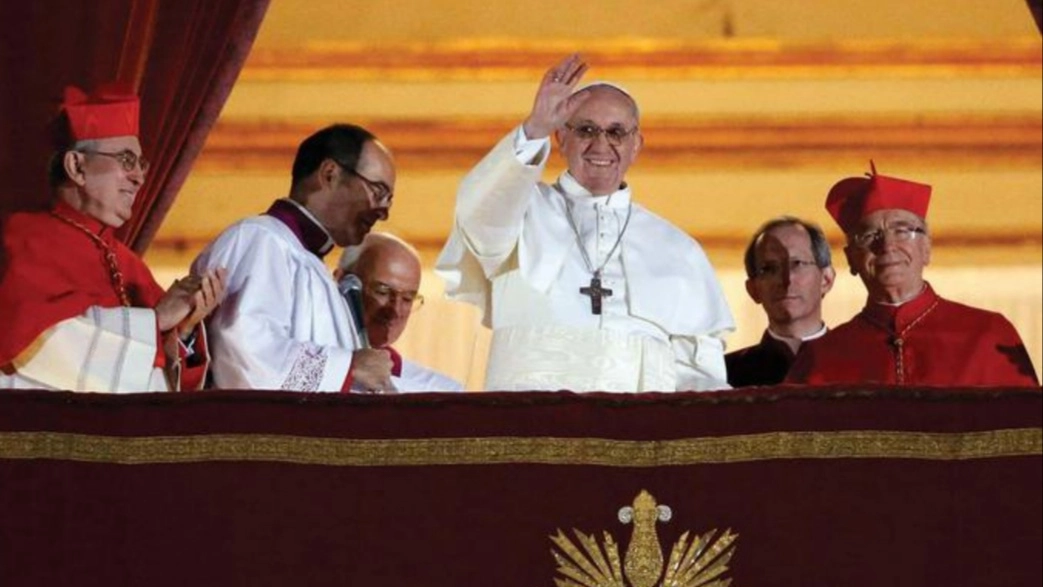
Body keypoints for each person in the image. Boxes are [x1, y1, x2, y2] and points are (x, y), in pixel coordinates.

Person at [435, 54, 734, 392]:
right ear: (561, 138)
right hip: (530, 426)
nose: (601, 144)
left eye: (616, 132)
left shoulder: (678, 249)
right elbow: (477, 215)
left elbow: (699, 373)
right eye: (586, 130)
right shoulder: (520, 209)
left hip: (637, 433)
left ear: (636, 145)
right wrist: (534, 128)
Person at [0, 83, 225, 392]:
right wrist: (155, 321)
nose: (140, 178)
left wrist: (182, 330)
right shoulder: (26, 239)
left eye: (141, 164)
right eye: (126, 160)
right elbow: (36, 342)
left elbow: (157, 382)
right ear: (77, 167)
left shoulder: (129, 263)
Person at [786, 163, 1039, 386]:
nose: (886, 246)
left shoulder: (988, 334)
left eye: (902, 231)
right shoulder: (821, 357)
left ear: (926, 248)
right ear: (851, 258)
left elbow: (1028, 432)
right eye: (870, 235)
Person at [192, 124, 396, 392]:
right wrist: (349, 366)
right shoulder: (260, 239)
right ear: (330, 174)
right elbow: (242, 352)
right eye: (378, 191)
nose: (383, 212)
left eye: (389, 199)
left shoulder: (314, 267)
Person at [335, 232, 465, 392]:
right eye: (382, 291)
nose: (395, 310)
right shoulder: (314, 362)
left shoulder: (439, 390)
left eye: (407, 299)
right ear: (342, 281)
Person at [725, 216, 835, 387]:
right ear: (753, 290)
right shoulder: (725, 375)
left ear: (826, 279)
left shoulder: (865, 364)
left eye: (797, 264)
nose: (787, 279)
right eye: (769, 269)